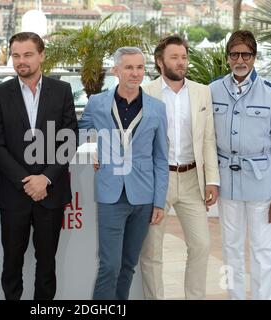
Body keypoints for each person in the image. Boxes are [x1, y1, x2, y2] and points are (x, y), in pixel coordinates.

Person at [0, 32, 78, 300]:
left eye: (27, 54)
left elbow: (69, 138)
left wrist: (45, 179)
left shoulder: (62, 91)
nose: (21, 61)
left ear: (41, 55)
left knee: (47, 264)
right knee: (11, 264)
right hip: (15, 194)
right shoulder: (0, 93)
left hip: (51, 193)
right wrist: (27, 181)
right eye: (16, 55)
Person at [78, 47, 169, 300]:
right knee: (109, 265)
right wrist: (94, 150)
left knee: (129, 265)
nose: (135, 73)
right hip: (111, 195)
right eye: (129, 67)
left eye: (140, 67)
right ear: (116, 70)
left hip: (144, 196)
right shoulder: (97, 103)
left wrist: (159, 200)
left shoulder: (157, 108)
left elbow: (161, 158)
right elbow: (75, 133)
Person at [209, 30, 271, 300]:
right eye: (235, 54)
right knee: (230, 248)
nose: (240, 60)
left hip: (262, 187)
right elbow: (207, 140)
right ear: (228, 58)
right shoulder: (212, 91)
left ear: (255, 57)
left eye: (246, 54)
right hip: (227, 186)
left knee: (262, 250)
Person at [139, 35, 220, 300]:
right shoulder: (145, 92)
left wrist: (212, 180)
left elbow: (208, 138)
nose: (181, 62)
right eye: (174, 57)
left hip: (192, 179)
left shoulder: (201, 92)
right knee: (151, 251)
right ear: (160, 62)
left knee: (201, 245)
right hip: (155, 181)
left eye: (184, 57)